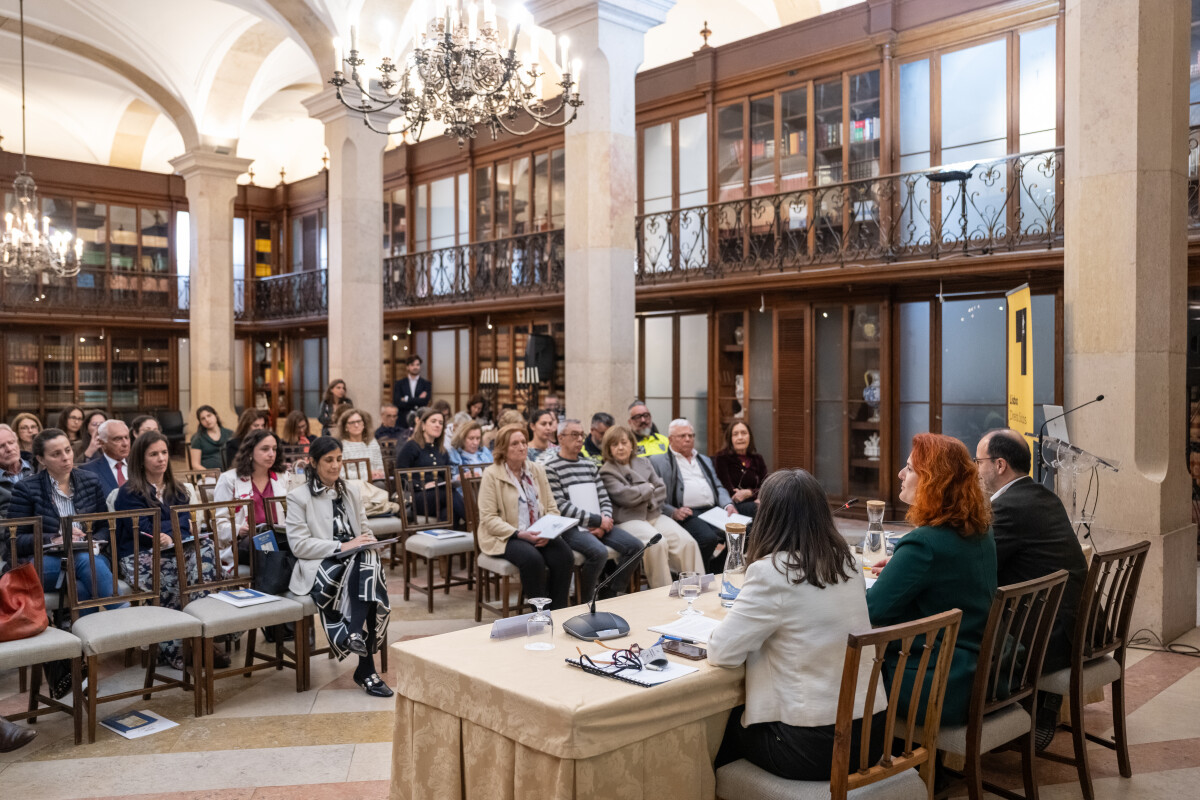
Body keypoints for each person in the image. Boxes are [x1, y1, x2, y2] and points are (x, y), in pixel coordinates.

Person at [711, 469, 888, 781]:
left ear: (769, 517)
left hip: (814, 749)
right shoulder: (846, 560)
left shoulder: (771, 572)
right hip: (869, 739)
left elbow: (721, 652)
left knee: (713, 737)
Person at [866, 433, 996, 727]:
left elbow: (871, 611)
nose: (900, 474)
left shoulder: (924, 544)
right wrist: (902, 566)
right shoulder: (979, 529)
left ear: (932, 482)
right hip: (983, 670)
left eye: (910, 469)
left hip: (938, 683)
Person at [977, 427, 1088, 749]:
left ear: (999, 465)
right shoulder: (1041, 495)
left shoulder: (1009, 506)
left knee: (961, 627)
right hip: (1074, 623)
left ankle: (998, 718)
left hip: (1046, 634)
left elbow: (980, 565)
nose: (975, 469)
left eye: (978, 461)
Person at [286, 436, 392, 697]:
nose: (335, 466)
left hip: (356, 559)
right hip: (321, 563)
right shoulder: (298, 497)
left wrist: (371, 541)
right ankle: (366, 669)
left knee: (366, 560)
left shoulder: (352, 491)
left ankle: (354, 634)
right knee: (368, 571)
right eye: (328, 460)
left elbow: (364, 529)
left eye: (339, 459)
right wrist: (341, 547)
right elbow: (299, 546)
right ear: (313, 462)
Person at [115, 431, 224, 670]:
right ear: (140, 459)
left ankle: (202, 635)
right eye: (153, 454)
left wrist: (169, 531)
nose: (161, 458)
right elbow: (140, 528)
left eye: (164, 452)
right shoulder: (129, 492)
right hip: (139, 553)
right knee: (173, 575)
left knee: (205, 549)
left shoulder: (179, 489)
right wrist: (167, 529)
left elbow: (184, 524)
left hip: (175, 549)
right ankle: (181, 650)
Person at [8, 428, 115, 615]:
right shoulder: (25, 489)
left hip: (90, 555)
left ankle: (83, 639)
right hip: (43, 562)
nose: (66, 457)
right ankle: (125, 615)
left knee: (82, 584)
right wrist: (55, 538)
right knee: (83, 561)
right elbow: (14, 541)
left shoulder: (90, 480)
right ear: (41, 459)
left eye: (68, 450)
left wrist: (93, 540)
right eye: (56, 454)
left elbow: (104, 526)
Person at [542, 419, 644, 601]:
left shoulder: (589, 464)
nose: (580, 439)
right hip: (571, 527)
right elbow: (561, 506)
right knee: (599, 552)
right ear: (560, 438)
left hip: (600, 522)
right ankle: (586, 599)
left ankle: (609, 590)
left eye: (582, 435)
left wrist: (605, 519)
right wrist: (597, 521)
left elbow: (603, 496)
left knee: (635, 547)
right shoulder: (550, 468)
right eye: (575, 435)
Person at [477, 424, 574, 610]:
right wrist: (519, 534)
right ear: (503, 449)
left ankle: (558, 610)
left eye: (523, 442)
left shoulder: (536, 470)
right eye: (515, 443)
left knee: (564, 555)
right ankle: (540, 613)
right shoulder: (492, 475)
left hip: (538, 531)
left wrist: (549, 532)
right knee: (532, 559)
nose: (522, 447)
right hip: (506, 535)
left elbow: (552, 508)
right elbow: (489, 519)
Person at [598, 425, 704, 588]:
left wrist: (645, 496)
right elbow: (625, 497)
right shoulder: (607, 471)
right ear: (608, 448)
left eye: (624, 442)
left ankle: (697, 587)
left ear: (632, 444)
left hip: (653, 514)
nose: (620, 447)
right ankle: (662, 592)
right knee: (657, 543)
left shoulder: (643, 462)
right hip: (628, 519)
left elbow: (662, 489)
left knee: (687, 542)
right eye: (615, 444)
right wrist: (648, 488)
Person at [649, 419, 736, 569]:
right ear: (670, 439)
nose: (688, 439)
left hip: (713, 510)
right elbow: (654, 495)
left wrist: (728, 504)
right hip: (686, 512)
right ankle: (696, 575)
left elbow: (718, 486)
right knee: (707, 539)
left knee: (745, 533)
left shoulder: (704, 459)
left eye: (691, 435)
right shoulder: (658, 462)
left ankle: (715, 568)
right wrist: (672, 511)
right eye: (682, 436)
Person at [213, 429, 290, 572]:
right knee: (261, 543)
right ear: (250, 451)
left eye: (274, 449)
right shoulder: (229, 479)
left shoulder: (282, 477)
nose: (271, 454)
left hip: (279, 539)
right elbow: (218, 525)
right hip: (244, 543)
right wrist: (238, 530)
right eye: (265, 449)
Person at [396, 407, 465, 525]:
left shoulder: (441, 450)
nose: (438, 425)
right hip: (416, 497)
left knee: (449, 510)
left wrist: (455, 479)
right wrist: (422, 485)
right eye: (433, 421)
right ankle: (475, 523)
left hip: (439, 497)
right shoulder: (411, 446)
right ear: (423, 425)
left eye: (441, 423)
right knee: (449, 493)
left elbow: (446, 476)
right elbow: (400, 476)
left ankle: (443, 540)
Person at [714, 420, 767, 518]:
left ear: (749, 436)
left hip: (758, 503)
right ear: (730, 439)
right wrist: (756, 494)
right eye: (735, 434)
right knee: (763, 509)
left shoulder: (757, 459)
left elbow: (766, 487)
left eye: (744, 433)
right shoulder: (722, 458)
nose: (740, 437)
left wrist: (750, 493)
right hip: (734, 506)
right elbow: (728, 491)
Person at [77, 419, 131, 497]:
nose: (125, 443)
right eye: (118, 439)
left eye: (127, 437)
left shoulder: (140, 466)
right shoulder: (87, 471)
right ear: (102, 442)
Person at [335, 408, 386, 481]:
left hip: (374, 481)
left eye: (359, 421)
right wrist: (368, 474)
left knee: (380, 485)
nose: (356, 425)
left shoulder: (372, 442)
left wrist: (378, 474)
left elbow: (380, 467)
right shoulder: (341, 446)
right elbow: (342, 473)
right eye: (352, 422)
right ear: (345, 427)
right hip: (351, 483)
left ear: (364, 424)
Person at [0, 425, 35, 518]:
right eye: (1, 446)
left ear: (17, 443)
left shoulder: (38, 467)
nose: (9, 449)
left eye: (11, 443)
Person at [189, 405, 233, 470]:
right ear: (200, 422)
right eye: (203, 418)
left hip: (228, 473)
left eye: (209, 415)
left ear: (216, 416)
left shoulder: (230, 434)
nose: (207, 420)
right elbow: (195, 465)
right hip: (207, 476)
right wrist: (211, 474)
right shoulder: (198, 438)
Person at [392, 355, 431, 421]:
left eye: (417, 365)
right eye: (412, 365)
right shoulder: (399, 384)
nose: (415, 367)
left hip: (421, 418)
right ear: (407, 367)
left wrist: (406, 399)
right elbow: (397, 402)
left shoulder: (426, 384)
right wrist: (417, 400)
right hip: (403, 419)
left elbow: (424, 402)